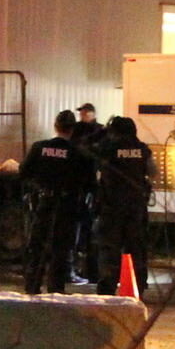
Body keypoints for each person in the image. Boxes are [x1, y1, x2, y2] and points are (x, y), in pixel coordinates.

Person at [19, 110, 89, 294]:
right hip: (67, 207)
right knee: (61, 250)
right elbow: (88, 183)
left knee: (37, 246)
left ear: (56, 126)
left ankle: (32, 287)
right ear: (73, 129)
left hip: (44, 203)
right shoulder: (78, 152)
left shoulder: (39, 147)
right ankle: (55, 291)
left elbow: (24, 173)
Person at [93, 114, 153, 297]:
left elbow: (86, 151)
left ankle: (107, 289)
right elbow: (153, 172)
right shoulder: (142, 149)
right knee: (136, 248)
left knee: (109, 249)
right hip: (135, 208)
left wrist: (101, 132)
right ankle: (139, 287)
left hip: (111, 207)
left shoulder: (107, 148)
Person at [69, 102, 103, 281]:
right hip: (80, 185)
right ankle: (79, 268)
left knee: (89, 231)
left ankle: (91, 270)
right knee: (79, 230)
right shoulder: (77, 130)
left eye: (84, 113)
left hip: (91, 186)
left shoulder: (100, 131)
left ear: (92, 113)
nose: (81, 116)